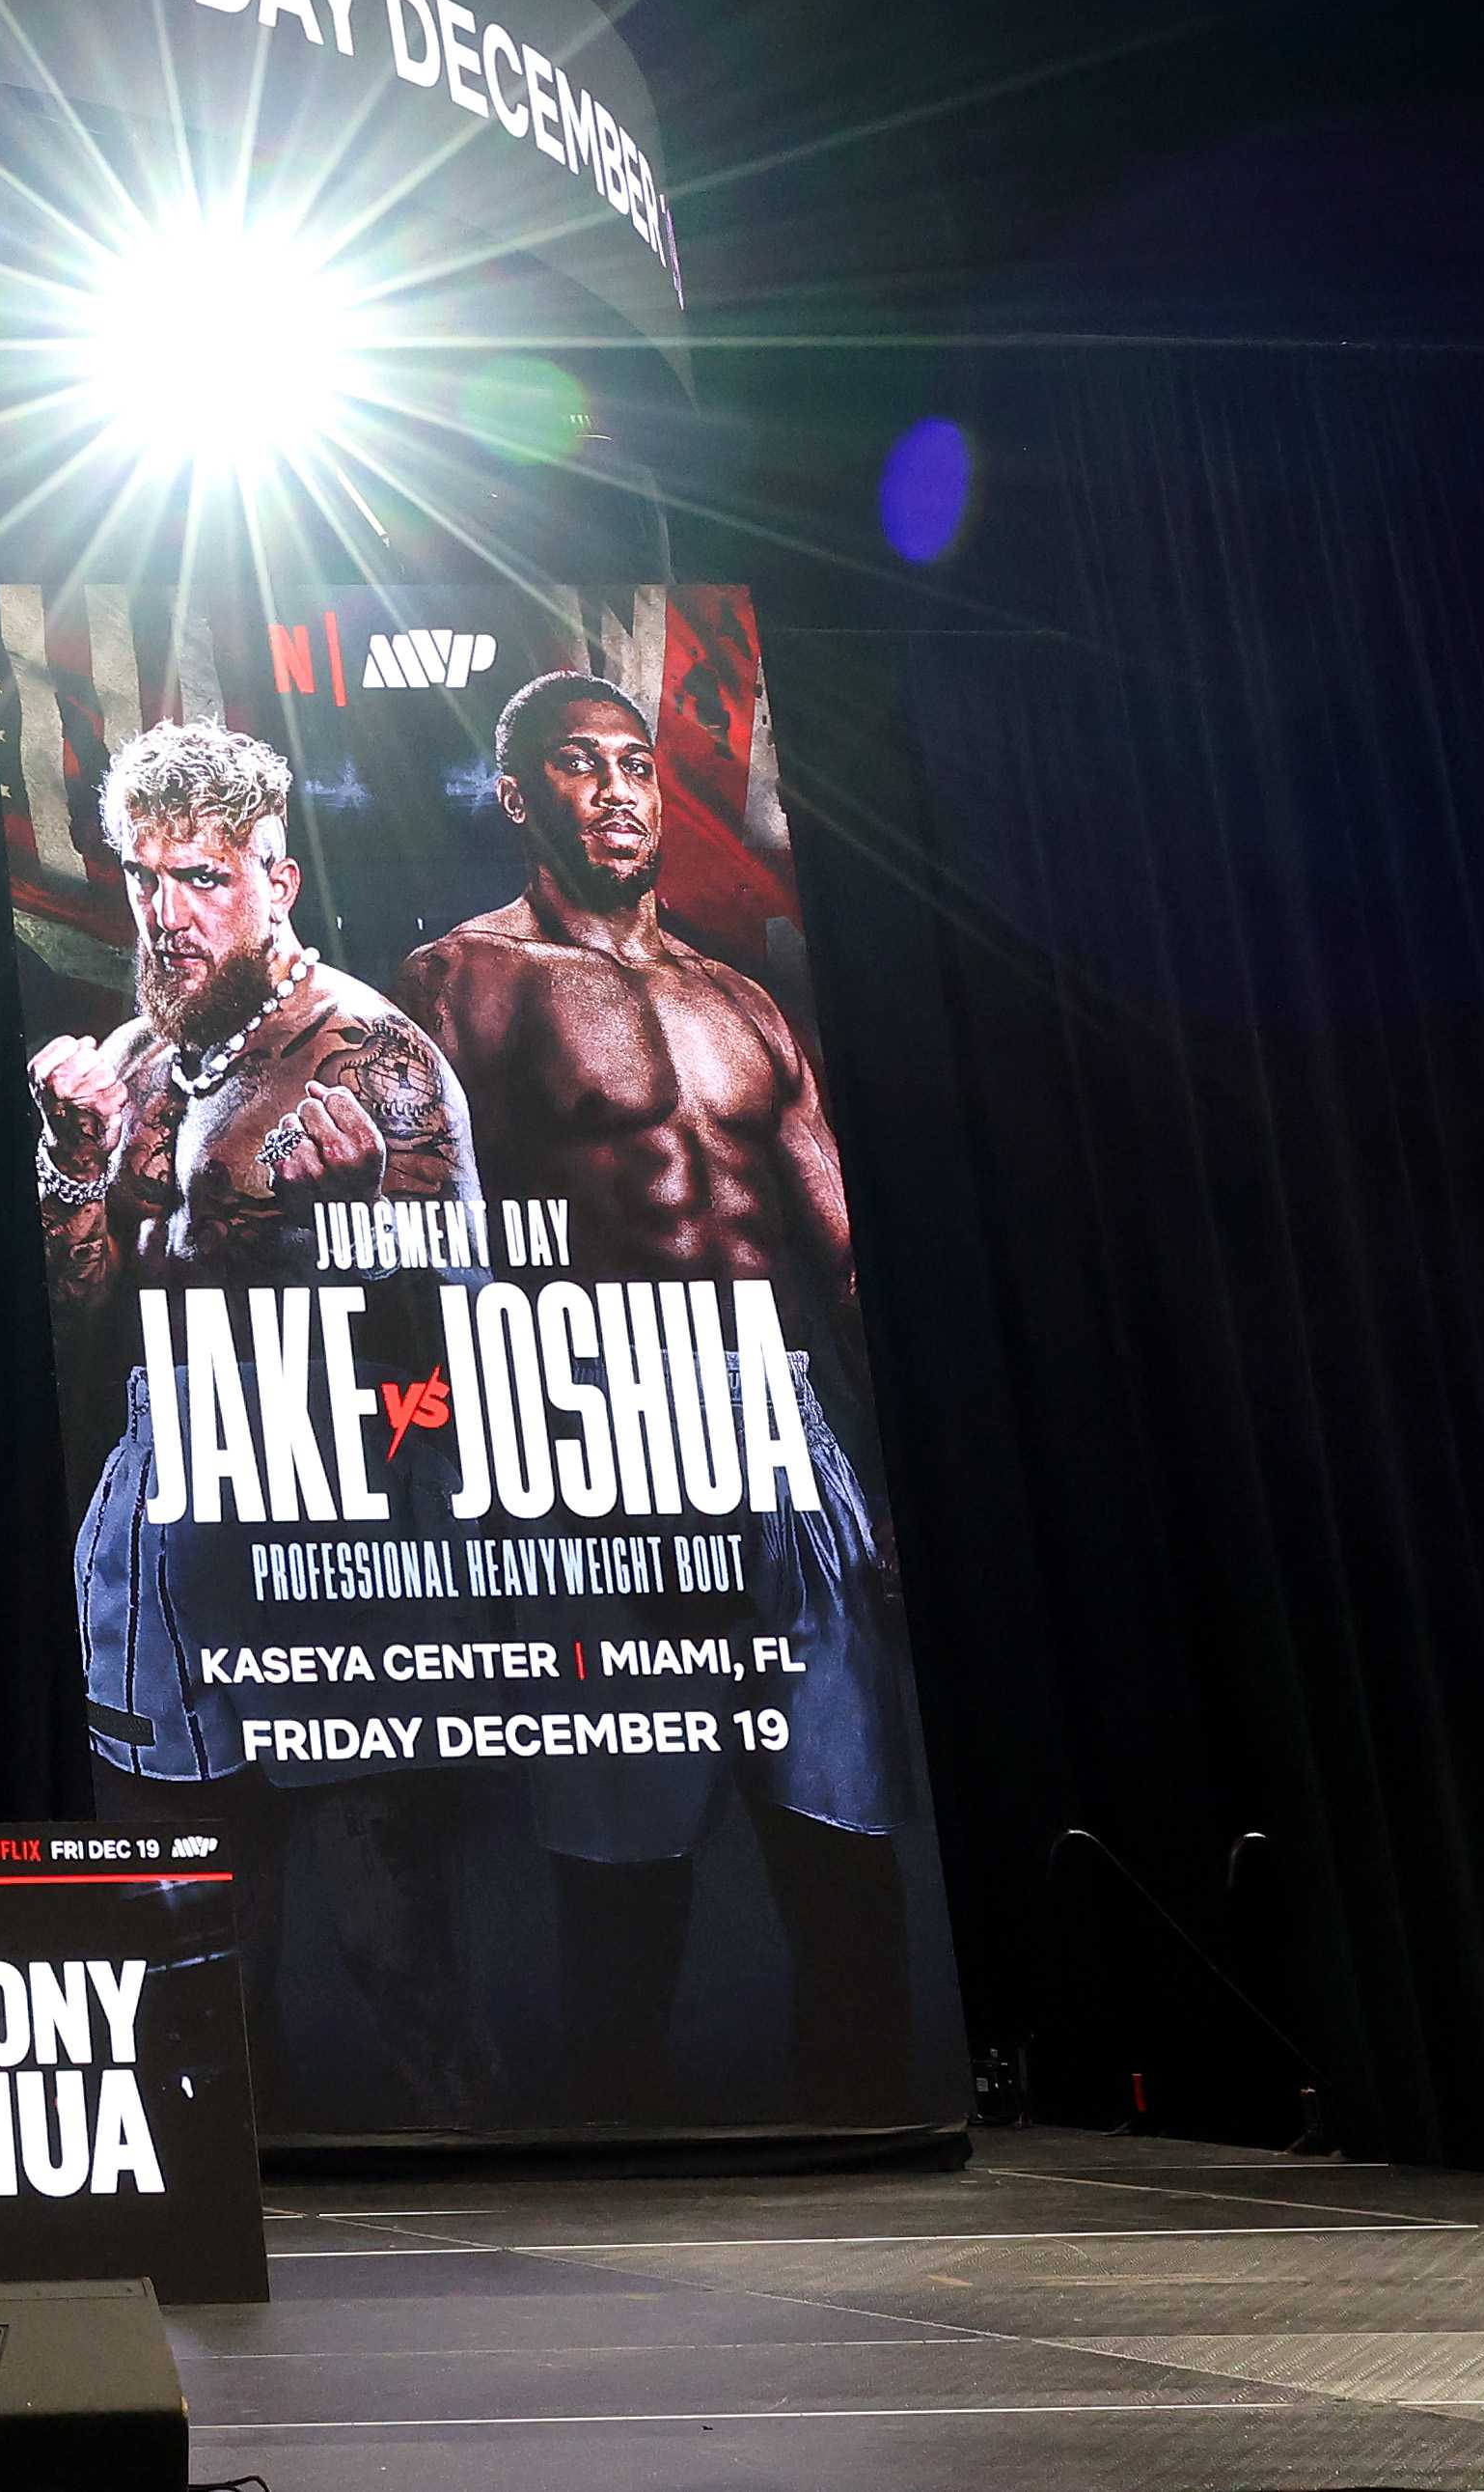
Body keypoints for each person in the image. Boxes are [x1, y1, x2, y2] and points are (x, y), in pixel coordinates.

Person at [389, 668, 915, 2123]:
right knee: (623, 1868)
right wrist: (465, 1490)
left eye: (635, 761)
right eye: (577, 763)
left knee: (840, 1828)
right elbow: (414, 1255)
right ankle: (622, 2178)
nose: (619, 788)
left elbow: (846, 1251)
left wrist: (891, 1484)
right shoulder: (456, 981)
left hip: (767, 1415)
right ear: (515, 794)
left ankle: (862, 2149)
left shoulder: (741, 1002)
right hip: (586, 1429)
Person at [35, 717, 482, 2128]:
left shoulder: (380, 1058)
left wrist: (362, 1241)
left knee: (386, 1921)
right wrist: (68, 1172)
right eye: (145, 878)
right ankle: (238, 2215)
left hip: (324, 1491)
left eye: (203, 879)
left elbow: (465, 1359)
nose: (167, 916)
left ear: (278, 881)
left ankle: (480, 2208)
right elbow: (90, 1313)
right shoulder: (139, 1064)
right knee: (192, 1926)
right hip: (165, 1504)